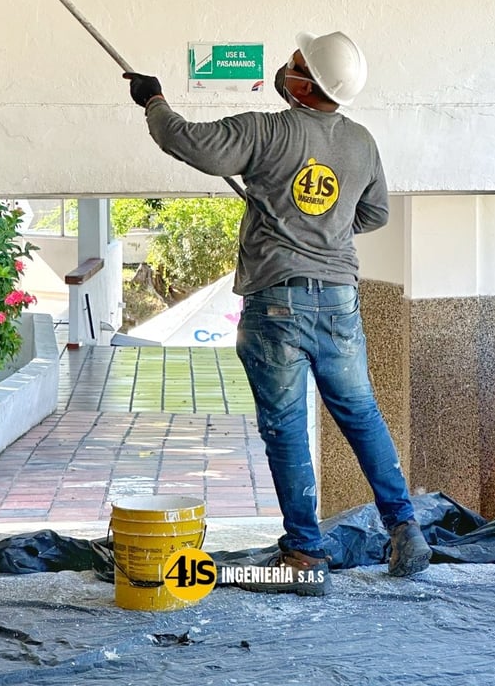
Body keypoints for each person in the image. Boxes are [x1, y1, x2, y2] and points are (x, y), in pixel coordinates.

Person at [124, 31, 431, 596]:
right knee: (361, 414)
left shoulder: (266, 130)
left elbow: (189, 143)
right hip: (339, 299)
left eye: (293, 64)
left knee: (286, 429)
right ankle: (405, 530)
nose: (283, 68)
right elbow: (375, 212)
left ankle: (304, 556)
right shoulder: (361, 143)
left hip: (276, 304)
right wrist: (323, 227)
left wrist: (154, 100)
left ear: (306, 84)